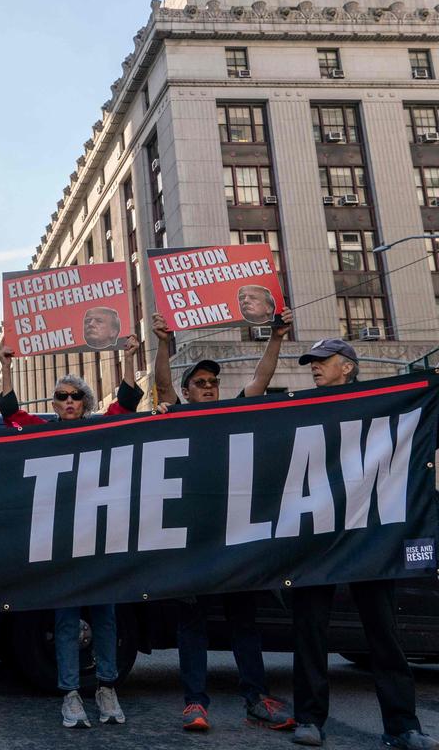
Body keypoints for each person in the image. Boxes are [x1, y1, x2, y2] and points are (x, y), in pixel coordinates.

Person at [290, 339, 438, 750]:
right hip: (316, 539)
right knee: (310, 631)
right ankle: (309, 719)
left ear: (348, 368)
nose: (315, 368)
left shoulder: (383, 407)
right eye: (312, 363)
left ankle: (403, 727)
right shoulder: (301, 410)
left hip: (371, 537)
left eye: (323, 362)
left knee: (383, 634)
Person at [153, 307, 296, 732]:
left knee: (243, 621)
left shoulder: (234, 413)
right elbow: (161, 383)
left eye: (214, 383)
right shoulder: (177, 414)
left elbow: (260, 381)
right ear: (187, 390)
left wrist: (275, 337)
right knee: (192, 624)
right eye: (201, 383)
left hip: (235, 538)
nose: (210, 388)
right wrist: (163, 343)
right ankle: (195, 703)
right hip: (194, 541)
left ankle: (256, 698)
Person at [0, 337, 143, 728]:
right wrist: (7, 365)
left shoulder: (101, 428)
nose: (68, 402)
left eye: (76, 396)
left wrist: (128, 358)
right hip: (61, 543)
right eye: (60, 396)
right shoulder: (43, 432)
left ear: (87, 401)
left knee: (106, 617)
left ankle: (107, 688)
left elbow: (127, 403)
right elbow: (10, 412)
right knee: (65, 619)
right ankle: (71, 695)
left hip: (100, 539)